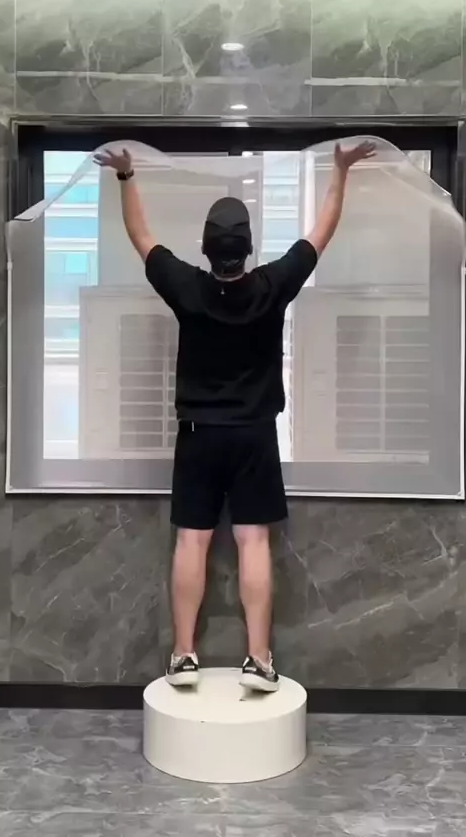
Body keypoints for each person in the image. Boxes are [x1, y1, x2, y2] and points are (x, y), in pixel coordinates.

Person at [94, 139, 376, 693]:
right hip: (254, 436)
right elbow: (320, 234)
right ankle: (259, 659)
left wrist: (126, 177)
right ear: (248, 249)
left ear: (205, 248)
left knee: (192, 542)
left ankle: (183, 655)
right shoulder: (272, 287)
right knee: (252, 542)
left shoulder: (186, 288)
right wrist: (340, 172)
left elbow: (141, 236)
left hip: (198, 436)